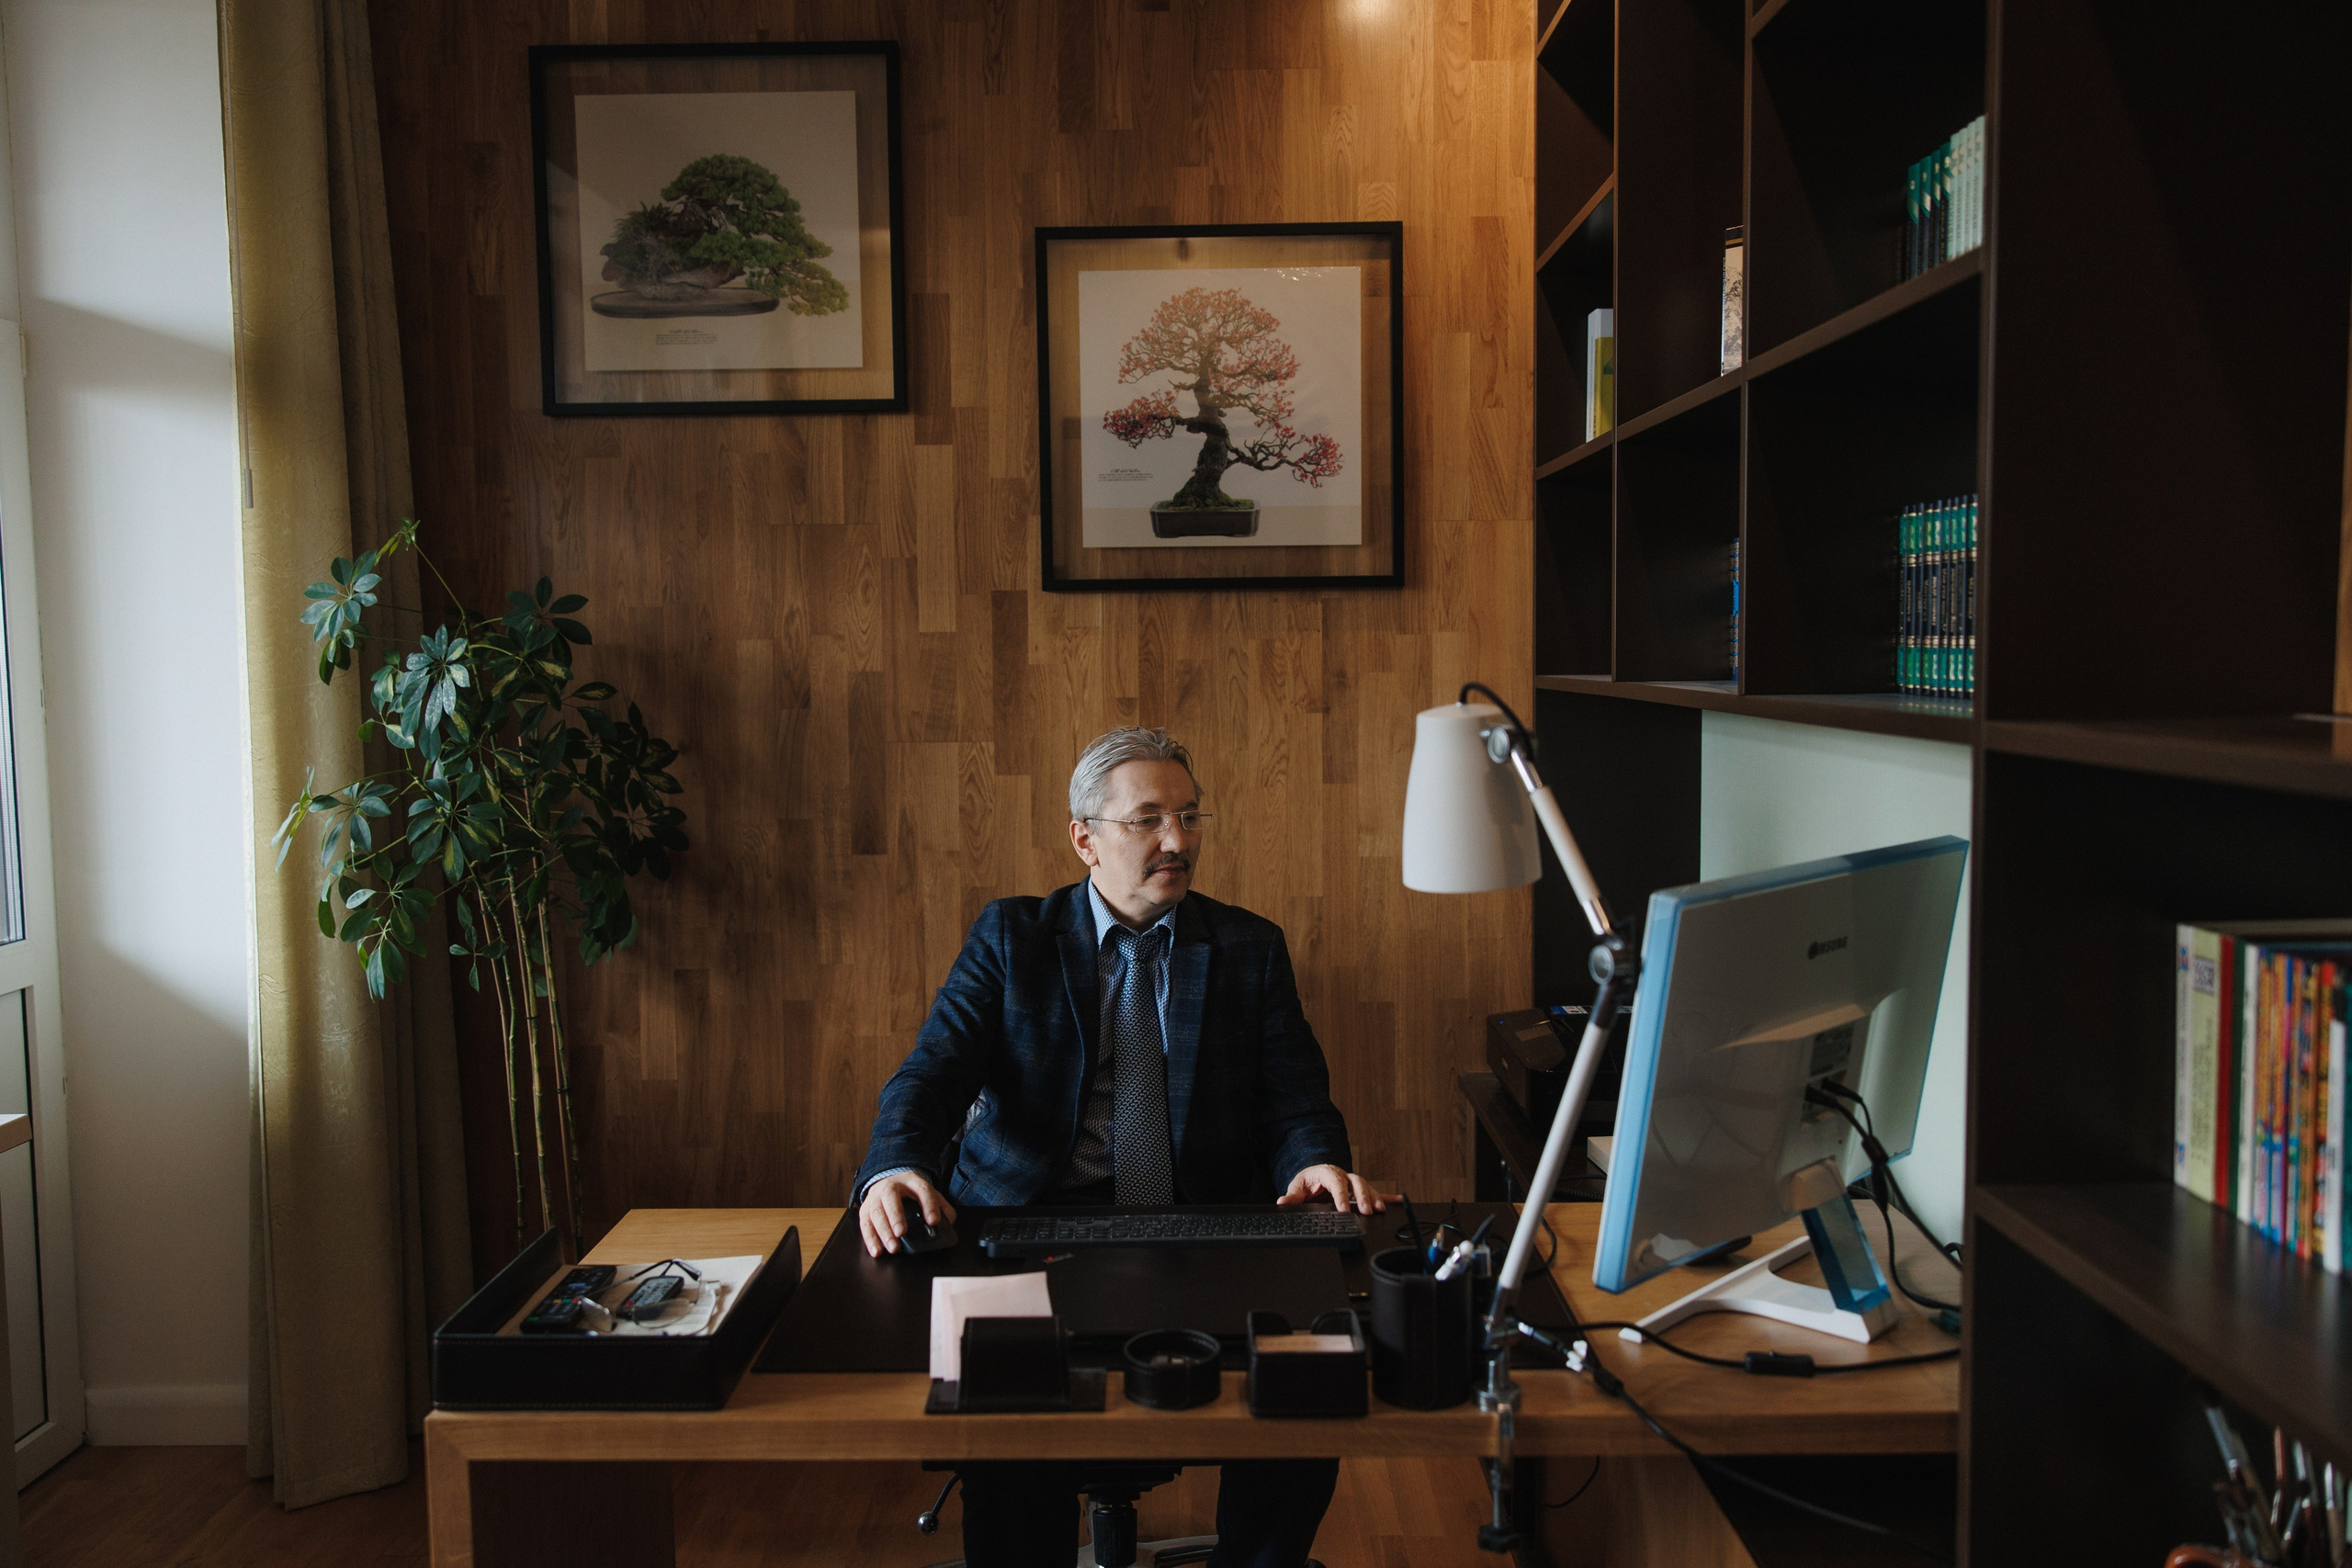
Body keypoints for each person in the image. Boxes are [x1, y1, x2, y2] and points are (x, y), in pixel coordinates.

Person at [851, 725, 1393, 1568]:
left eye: (1188, 816)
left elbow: (1295, 1099)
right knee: (1012, 1415)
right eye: (1148, 820)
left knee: (1309, 1381)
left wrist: (1312, 1159)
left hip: (1199, 1225)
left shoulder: (1248, 947)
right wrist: (897, 1164)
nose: (1177, 841)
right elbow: (931, 1073)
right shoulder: (1012, 938)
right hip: (1030, 1226)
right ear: (1085, 838)